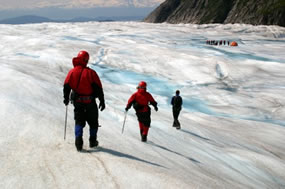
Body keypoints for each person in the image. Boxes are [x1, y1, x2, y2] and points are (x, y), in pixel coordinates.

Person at [63, 50, 105, 151]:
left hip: (78, 103)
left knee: (79, 122)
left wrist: (66, 98)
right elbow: (98, 88)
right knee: (93, 123)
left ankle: (78, 143)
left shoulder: (72, 72)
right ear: (86, 60)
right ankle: (92, 141)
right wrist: (102, 101)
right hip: (90, 102)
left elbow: (66, 86)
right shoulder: (91, 73)